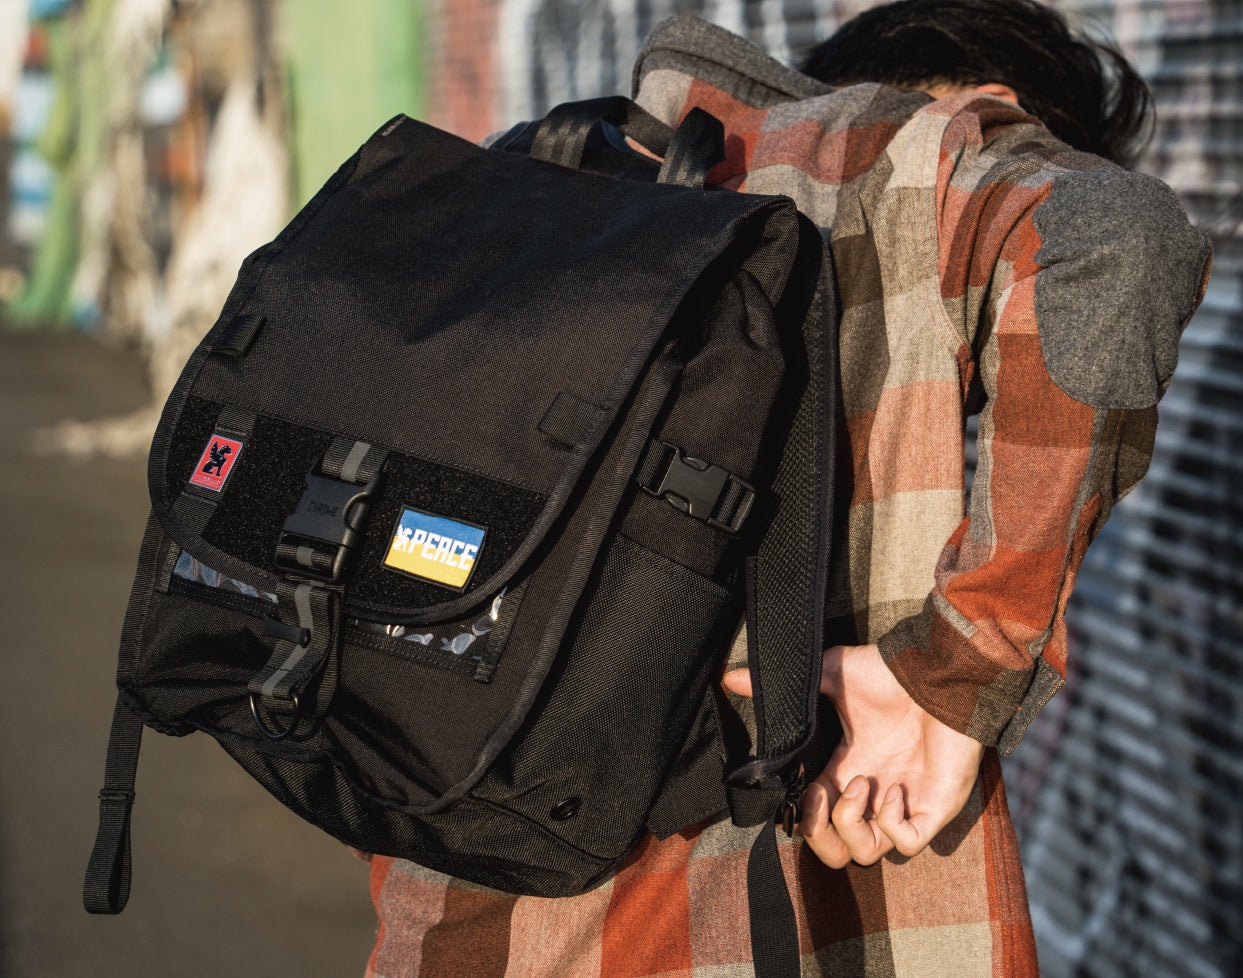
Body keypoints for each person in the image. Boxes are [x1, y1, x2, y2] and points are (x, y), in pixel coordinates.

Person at [365, 3, 1212, 975]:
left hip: (453, 915)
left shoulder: (538, 191)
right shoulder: (908, 171)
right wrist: (956, 673)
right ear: (991, 110)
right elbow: (1113, 238)